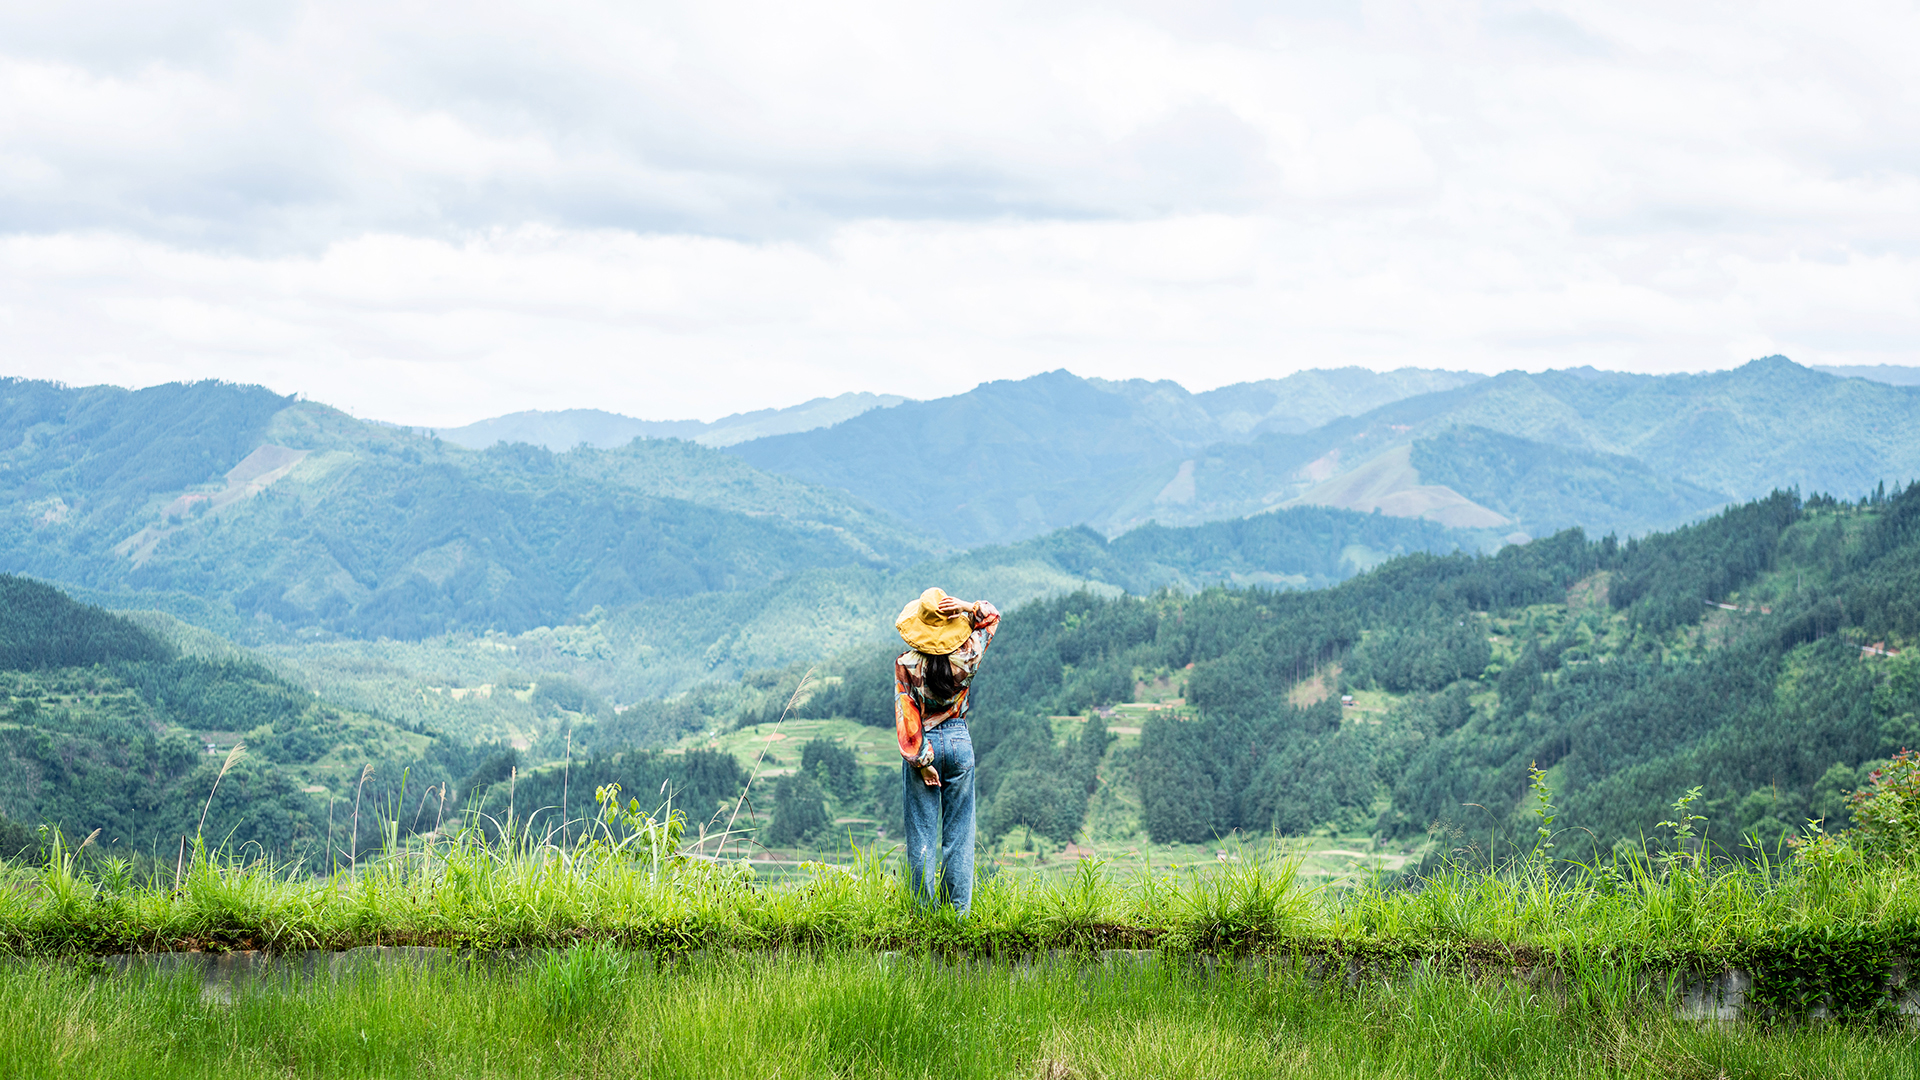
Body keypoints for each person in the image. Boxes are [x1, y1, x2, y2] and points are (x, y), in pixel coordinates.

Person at [893, 586, 1000, 914]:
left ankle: (922, 916)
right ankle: (957, 914)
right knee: (960, 833)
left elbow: (906, 717)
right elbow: (992, 616)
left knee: (922, 834)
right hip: (958, 741)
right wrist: (967, 607)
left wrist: (922, 761)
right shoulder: (969, 653)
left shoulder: (906, 664)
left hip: (924, 742)